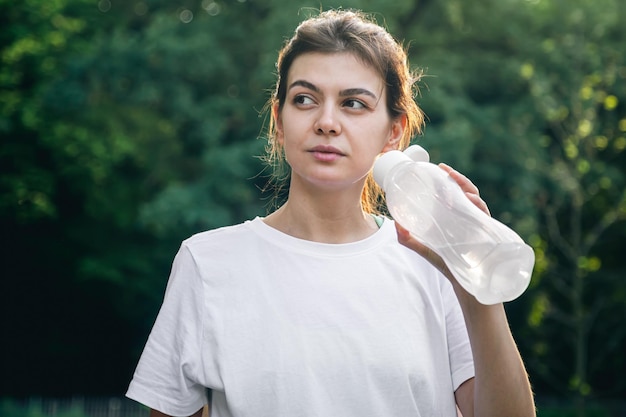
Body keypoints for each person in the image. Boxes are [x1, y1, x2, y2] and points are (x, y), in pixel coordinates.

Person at [126, 9, 536, 417]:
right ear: (279, 120)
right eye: (304, 99)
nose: (326, 122)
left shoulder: (432, 258)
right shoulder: (207, 264)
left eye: (353, 103)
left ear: (393, 131)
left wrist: (474, 278)